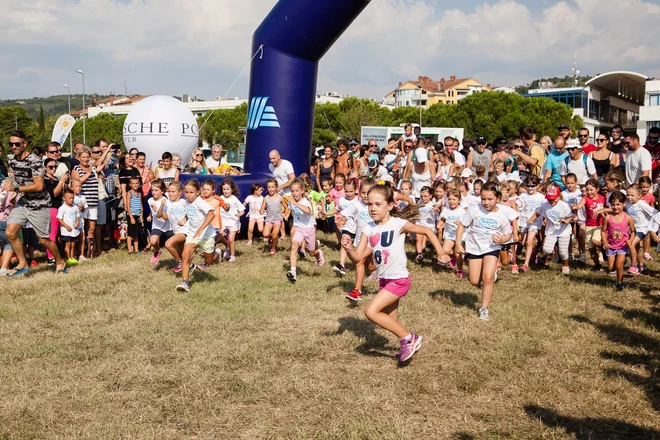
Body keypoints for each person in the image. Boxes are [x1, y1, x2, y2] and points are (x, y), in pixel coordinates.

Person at [343, 183, 449, 364]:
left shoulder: (398, 224)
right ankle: (405, 343)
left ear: (390, 206)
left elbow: (426, 230)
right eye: (370, 204)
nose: (373, 208)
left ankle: (410, 338)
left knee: (371, 311)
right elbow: (358, 257)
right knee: (391, 321)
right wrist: (348, 248)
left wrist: (440, 252)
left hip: (399, 279)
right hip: (384, 280)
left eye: (378, 204)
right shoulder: (368, 228)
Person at [3, 130, 66, 275]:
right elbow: (17, 178)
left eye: (17, 144)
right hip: (24, 202)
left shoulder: (35, 161)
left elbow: (39, 186)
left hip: (39, 204)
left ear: (25, 144)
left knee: (44, 240)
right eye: (11, 144)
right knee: (10, 233)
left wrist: (17, 188)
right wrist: (13, 191)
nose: (14, 146)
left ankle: (59, 261)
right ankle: (23, 263)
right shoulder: (12, 160)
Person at [455, 182, 513, 321]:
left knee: (487, 277)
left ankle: (484, 308)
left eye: (490, 199)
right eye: (483, 198)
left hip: (491, 249)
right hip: (474, 248)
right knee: (474, 280)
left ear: (497, 198)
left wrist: (502, 240)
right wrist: (458, 243)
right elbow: (462, 225)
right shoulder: (474, 210)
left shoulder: (502, 215)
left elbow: (508, 234)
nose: (486, 202)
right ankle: (485, 281)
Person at [175, 179, 216, 293]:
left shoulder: (199, 202)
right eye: (186, 192)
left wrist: (201, 229)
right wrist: (184, 220)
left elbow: (211, 214)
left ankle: (216, 253)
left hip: (206, 235)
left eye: (191, 192)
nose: (188, 195)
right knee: (185, 255)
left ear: (198, 192)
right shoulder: (186, 202)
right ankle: (185, 283)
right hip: (193, 233)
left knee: (209, 261)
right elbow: (190, 213)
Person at [527, 185, 573, 275]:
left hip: (564, 231)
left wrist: (566, 221)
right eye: (549, 199)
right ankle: (554, 249)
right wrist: (531, 220)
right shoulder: (545, 205)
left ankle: (565, 265)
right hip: (551, 231)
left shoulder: (564, 205)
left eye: (554, 199)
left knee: (563, 253)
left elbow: (570, 216)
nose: (552, 201)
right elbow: (537, 213)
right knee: (546, 250)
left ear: (559, 196)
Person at [286, 178, 324, 282]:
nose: (294, 193)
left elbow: (308, 211)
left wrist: (294, 202)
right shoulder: (292, 201)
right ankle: (293, 272)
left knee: (311, 252)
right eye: (292, 191)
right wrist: (286, 214)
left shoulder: (305, 202)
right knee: (294, 246)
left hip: (309, 229)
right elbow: (290, 209)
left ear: (302, 191)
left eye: (297, 191)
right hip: (299, 228)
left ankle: (318, 255)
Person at [601, 191, 634, 291]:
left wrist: (630, 241)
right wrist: (605, 242)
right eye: (613, 205)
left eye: (618, 204)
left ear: (624, 204)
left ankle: (619, 282)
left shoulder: (628, 218)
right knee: (611, 268)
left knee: (619, 265)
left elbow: (633, 231)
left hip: (622, 246)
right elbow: (603, 231)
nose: (615, 207)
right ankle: (620, 264)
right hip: (611, 246)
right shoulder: (608, 218)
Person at [71, 146, 100, 258]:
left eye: (87, 157)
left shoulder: (92, 168)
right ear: (79, 158)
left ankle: (90, 252)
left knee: (92, 227)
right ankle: (79, 253)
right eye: (83, 157)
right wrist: (89, 172)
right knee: (81, 228)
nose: (86, 159)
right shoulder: (76, 169)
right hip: (82, 202)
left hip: (93, 201)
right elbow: (78, 182)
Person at [571, 179, 606, 271]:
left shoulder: (602, 198)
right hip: (589, 225)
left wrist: (603, 213)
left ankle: (605, 248)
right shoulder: (586, 198)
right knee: (591, 248)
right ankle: (597, 265)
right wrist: (575, 207)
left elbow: (607, 209)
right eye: (587, 190)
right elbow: (579, 206)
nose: (589, 192)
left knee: (595, 241)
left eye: (591, 190)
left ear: (597, 189)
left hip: (600, 224)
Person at [625, 184, 656, 275]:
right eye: (628, 195)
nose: (629, 197)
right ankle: (641, 265)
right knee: (636, 248)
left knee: (631, 244)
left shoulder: (642, 204)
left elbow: (655, 212)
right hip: (632, 229)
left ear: (639, 195)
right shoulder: (628, 204)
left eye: (632, 195)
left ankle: (633, 266)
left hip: (642, 229)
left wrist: (652, 226)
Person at [517, 175, 545, 272]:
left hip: (535, 222)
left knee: (529, 241)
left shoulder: (541, 197)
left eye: (533, 186)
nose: (530, 188)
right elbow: (517, 206)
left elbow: (545, 208)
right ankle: (533, 253)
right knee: (524, 242)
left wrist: (545, 219)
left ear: (537, 186)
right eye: (528, 186)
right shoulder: (523, 196)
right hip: (523, 221)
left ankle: (525, 264)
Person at [44, 158, 68, 265]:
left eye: (55, 167)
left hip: (59, 207)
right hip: (51, 208)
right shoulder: (45, 181)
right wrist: (62, 181)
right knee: (52, 234)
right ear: (45, 168)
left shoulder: (56, 179)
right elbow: (54, 194)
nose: (53, 169)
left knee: (57, 234)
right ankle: (50, 256)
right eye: (50, 167)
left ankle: (56, 254)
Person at [161, 181, 187, 273]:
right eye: (169, 191)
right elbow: (165, 217)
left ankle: (178, 262)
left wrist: (184, 220)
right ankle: (187, 265)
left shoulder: (184, 202)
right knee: (182, 252)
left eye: (173, 192)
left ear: (180, 192)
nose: (170, 194)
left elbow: (191, 213)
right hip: (176, 230)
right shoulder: (168, 203)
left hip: (184, 230)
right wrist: (159, 210)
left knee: (168, 244)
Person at [438, 188, 465, 278]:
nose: (451, 201)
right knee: (445, 250)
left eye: (454, 199)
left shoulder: (462, 211)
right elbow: (443, 219)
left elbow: (466, 223)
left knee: (458, 254)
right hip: (449, 234)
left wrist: (460, 223)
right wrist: (440, 223)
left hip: (460, 235)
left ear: (459, 200)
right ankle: (453, 256)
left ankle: (459, 269)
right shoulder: (446, 209)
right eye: (449, 199)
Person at [219, 178, 245, 263]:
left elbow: (242, 210)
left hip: (233, 222)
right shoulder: (220, 198)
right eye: (224, 189)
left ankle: (232, 255)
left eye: (228, 189)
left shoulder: (234, 199)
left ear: (232, 189)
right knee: (222, 237)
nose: (226, 191)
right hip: (223, 222)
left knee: (231, 239)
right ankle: (227, 247)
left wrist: (239, 214)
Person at [260, 179, 288, 256]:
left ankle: (273, 249)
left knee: (275, 235)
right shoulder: (266, 198)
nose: (270, 189)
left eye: (272, 187)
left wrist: (285, 214)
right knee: (265, 234)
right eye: (269, 187)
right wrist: (261, 211)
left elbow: (287, 207)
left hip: (277, 219)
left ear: (276, 188)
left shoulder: (280, 197)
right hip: (269, 219)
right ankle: (270, 239)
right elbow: (262, 208)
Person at [146, 179, 171, 265]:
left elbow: (166, 217)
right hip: (157, 226)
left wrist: (157, 210)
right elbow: (152, 210)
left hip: (168, 227)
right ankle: (157, 251)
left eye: (156, 190)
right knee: (152, 241)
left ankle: (180, 260)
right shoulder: (150, 200)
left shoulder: (166, 201)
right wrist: (150, 215)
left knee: (173, 246)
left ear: (162, 191)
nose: (153, 192)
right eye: (152, 190)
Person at [57, 188, 81, 265]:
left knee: (73, 244)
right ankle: (68, 258)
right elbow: (59, 218)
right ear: (64, 198)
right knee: (68, 244)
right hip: (66, 230)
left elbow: (78, 215)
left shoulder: (75, 206)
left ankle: (72, 257)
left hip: (74, 230)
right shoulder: (62, 208)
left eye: (72, 198)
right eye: (69, 198)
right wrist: (66, 226)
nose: (71, 200)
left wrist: (77, 222)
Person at [126, 177, 143, 254]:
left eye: (136, 183)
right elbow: (128, 206)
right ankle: (130, 249)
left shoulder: (139, 194)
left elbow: (140, 205)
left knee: (136, 233)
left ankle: (136, 249)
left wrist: (141, 216)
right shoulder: (129, 193)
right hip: (132, 215)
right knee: (130, 233)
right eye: (133, 183)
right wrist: (131, 217)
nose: (135, 185)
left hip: (138, 215)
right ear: (130, 184)